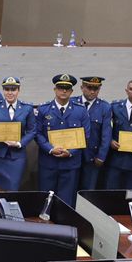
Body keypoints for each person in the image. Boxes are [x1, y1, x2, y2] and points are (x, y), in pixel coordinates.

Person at [36, 74, 89, 206]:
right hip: (48, 162)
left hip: (70, 163)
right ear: (55, 90)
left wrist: (71, 152)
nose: (64, 91)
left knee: (66, 201)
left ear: (71, 91)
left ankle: (66, 225)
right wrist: (50, 149)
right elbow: (37, 134)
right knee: (46, 199)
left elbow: (85, 135)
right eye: (60, 87)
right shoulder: (43, 109)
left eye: (67, 88)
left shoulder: (80, 111)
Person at [0, 76, 34, 192]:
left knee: (13, 187)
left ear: (18, 90)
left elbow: (32, 130)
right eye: (7, 89)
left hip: (16, 155)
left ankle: (10, 210)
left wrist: (20, 143)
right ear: (3, 90)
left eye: (13, 89)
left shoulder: (27, 108)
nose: (10, 92)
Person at [74, 76, 113, 191]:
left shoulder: (105, 107)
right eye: (89, 87)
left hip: (92, 156)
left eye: (96, 89)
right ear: (82, 87)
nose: (92, 91)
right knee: (70, 187)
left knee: (88, 189)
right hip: (71, 155)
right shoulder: (72, 103)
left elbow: (106, 134)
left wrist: (101, 156)